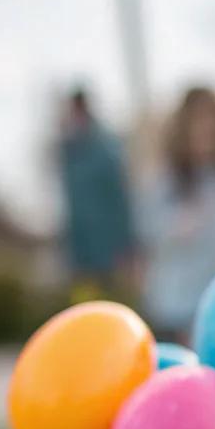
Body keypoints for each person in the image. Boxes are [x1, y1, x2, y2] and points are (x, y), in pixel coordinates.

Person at [137, 86, 215, 342]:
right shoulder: (166, 181)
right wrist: (177, 227)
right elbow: (147, 230)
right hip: (175, 306)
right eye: (198, 124)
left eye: (211, 125)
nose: (205, 133)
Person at [57, 87, 136, 299]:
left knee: (112, 302)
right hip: (79, 249)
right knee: (82, 306)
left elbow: (120, 198)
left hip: (107, 247)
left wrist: (127, 243)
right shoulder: (69, 149)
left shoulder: (107, 147)